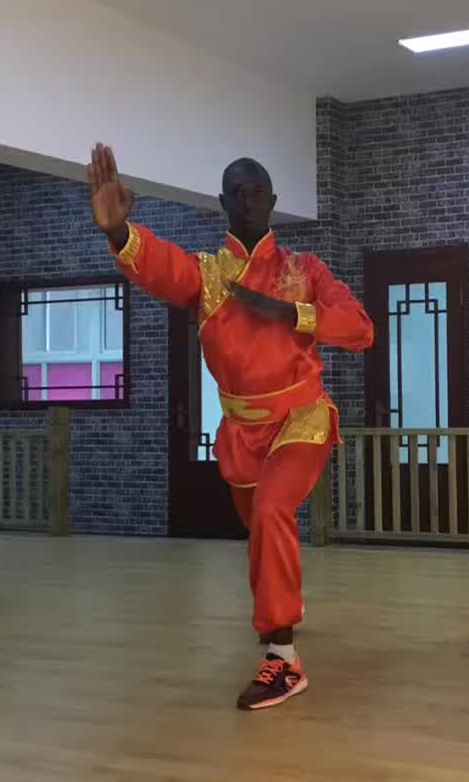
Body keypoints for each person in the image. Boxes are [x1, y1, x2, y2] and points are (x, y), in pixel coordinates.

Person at [87, 144, 373, 711]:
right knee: (260, 526)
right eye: (238, 193)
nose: (248, 201)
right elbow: (163, 266)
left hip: (301, 418)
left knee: (271, 509)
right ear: (223, 203)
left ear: (273, 201)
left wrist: (292, 313)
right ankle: (285, 607)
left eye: (258, 192)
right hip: (241, 431)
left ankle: (282, 658)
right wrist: (120, 233)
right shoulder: (209, 274)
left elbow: (360, 328)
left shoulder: (305, 270)